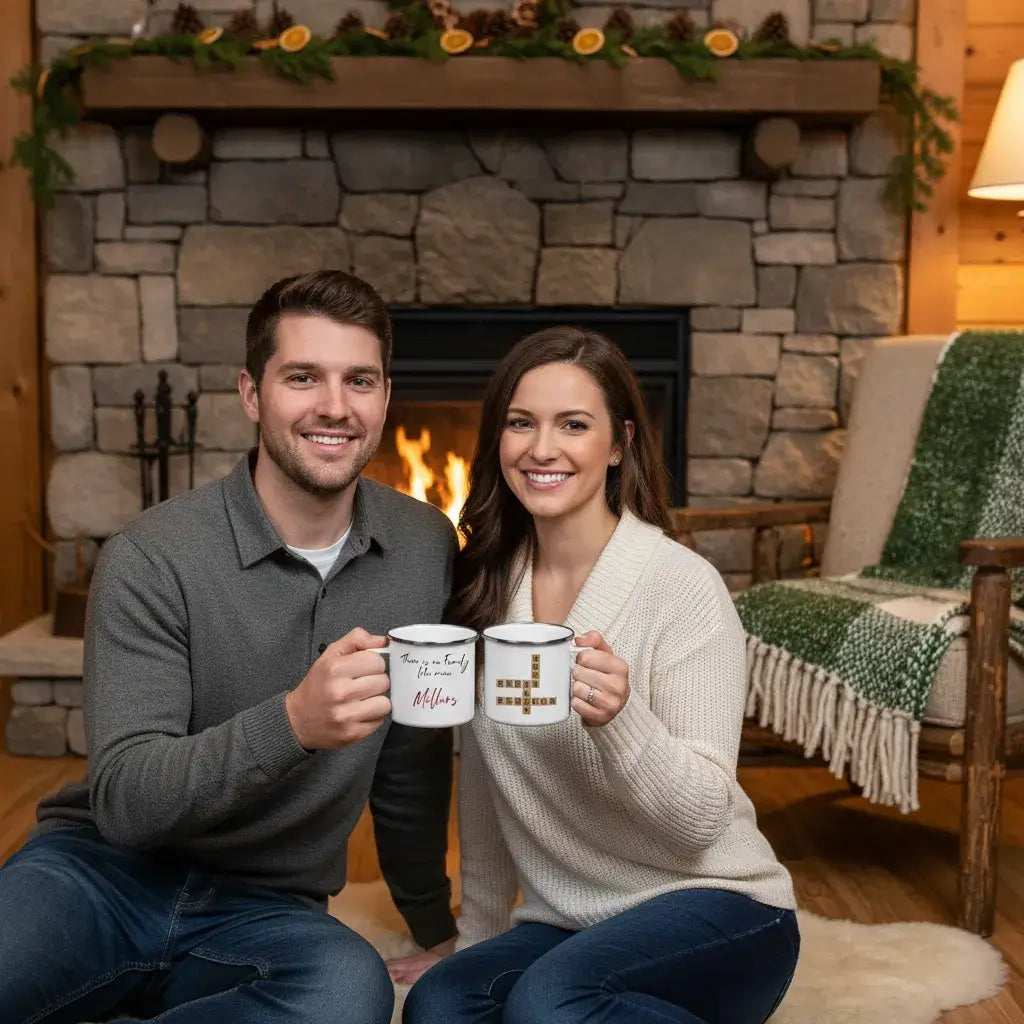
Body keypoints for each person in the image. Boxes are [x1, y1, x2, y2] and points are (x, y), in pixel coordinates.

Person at [0, 270, 458, 1024]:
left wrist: (437, 929)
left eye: (360, 380)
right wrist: (292, 725)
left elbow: (408, 763)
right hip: (99, 876)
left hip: (267, 909)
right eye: (303, 377)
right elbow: (126, 803)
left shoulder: (421, 547)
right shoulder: (153, 555)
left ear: (384, 395)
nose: (335, 407)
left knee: (350, 995)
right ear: (252, 393)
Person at [398, 326, 799, 1024]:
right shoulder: (488, 589)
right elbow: (487, 790)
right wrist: (474, 942)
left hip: (720, 908)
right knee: (440, 1006)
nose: (541, 448)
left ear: (618, 445)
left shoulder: (683, 586)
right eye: (521, 423)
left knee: (549, 1004)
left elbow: (702, 821)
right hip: (572, 923)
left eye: (573, 425)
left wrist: (623, 721)